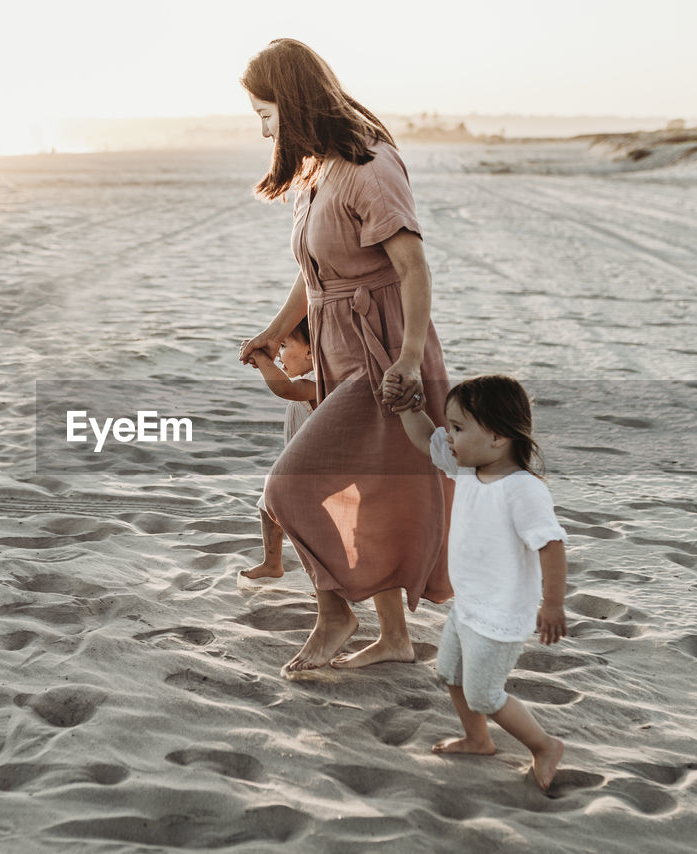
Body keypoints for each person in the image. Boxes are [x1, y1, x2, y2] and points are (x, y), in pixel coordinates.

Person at [237, 38, 454, 674]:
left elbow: (413, 266)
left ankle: (336, 614)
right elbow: (315, 274)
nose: (265, 128)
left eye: (267, 114)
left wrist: (408, 357)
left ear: (295, 103)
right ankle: (395, 638)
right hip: (335, 342)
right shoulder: (319, 169)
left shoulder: (368, 164)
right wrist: (275, 332)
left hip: (380, 350)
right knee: (366, 493)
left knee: (290, 485)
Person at [393, 374, 569, 791]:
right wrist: (406, 408)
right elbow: (426, 440)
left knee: (485, 695)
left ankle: (544, 746)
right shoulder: (470, 470)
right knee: (450, 674)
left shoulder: (522, 489)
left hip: (500, 615)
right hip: (468, 606)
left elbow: (551, 544)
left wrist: (553, 603)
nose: (448, 437)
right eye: (450, 426)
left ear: (497, 437)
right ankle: (478, 739)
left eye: (457, 428)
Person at [242, 318, 318, 580]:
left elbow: (284, 388)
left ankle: (326, 583)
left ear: (310, 351)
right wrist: (267, 364)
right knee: (267, 506)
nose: (279, 352)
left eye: (284, 345)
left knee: (311, 530)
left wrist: (265, 362)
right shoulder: (305, 379)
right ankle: (272, 563)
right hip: (294, 465)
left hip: (316, 471)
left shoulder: (317, 383)